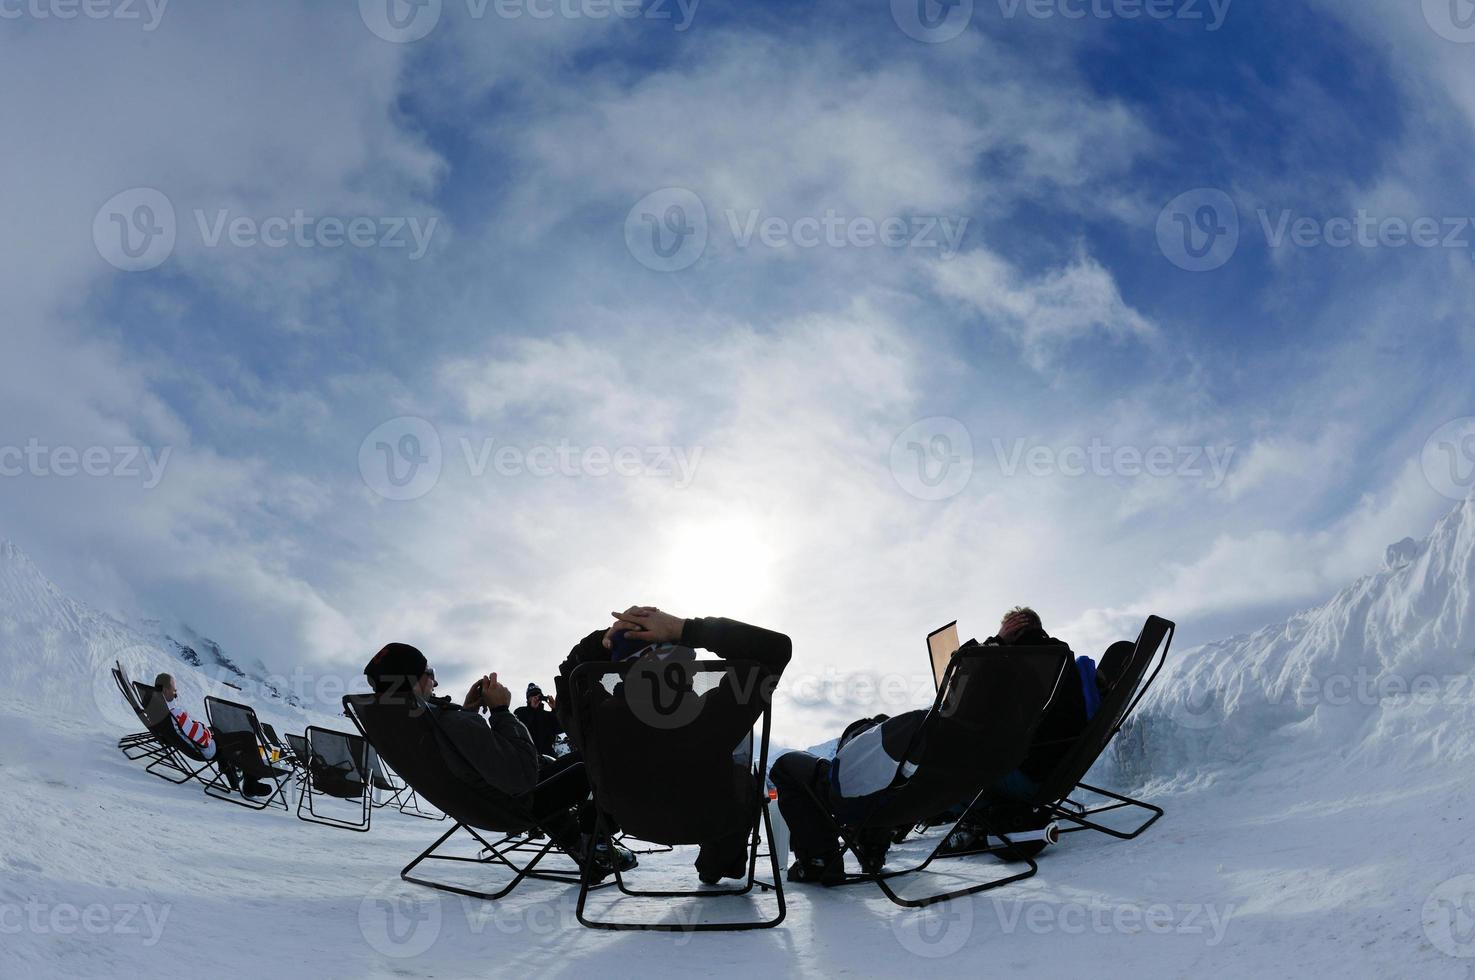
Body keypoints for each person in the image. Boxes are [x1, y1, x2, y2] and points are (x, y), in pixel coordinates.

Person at [769, 606, 1104, 884]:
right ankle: (873, 838)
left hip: (1009, 774)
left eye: (1004, 628)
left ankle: (842, 847)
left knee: (894, 748)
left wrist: (995, 643)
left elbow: (961, 692)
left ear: (1017, 627)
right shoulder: (1059, 665)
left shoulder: (1010, 664)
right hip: (1025, 767)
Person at [556, 606, 792, 885]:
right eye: (685, 654)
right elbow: (776, 649)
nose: (691, 662)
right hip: (713, 820)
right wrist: (686, 629)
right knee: (747, 783)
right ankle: (714, 867)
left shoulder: (597, 718)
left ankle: (714, 863)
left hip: (634, 823)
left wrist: (604, 639)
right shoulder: (717, 711)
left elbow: (570, 678)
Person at [362, 643, 633, 878]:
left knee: (553, 767)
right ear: (414, 681)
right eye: (430, 674)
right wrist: (501, 710)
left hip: (476, 806)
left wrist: (467, 712)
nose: (435, 682)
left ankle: (581, 847)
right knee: (594, 763)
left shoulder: (405, 727)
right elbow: (522, 777)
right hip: (512, 807)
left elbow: (457, 757)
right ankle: (596, 845)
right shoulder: (450, 723)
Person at [153, 672, 271, 798]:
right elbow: (202, 739)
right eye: (174, 690)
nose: (176, 694)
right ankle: (250, 783)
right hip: (204, 749)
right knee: (246, 737)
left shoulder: (157, 707)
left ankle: (233, 774)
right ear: (165, 690)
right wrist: (207, 731)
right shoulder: (176, 712)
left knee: (225, 739)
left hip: (186, 743)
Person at [514, 683, 564, 758]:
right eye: (532, 695)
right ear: (528, 699)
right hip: (528, 757)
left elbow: (560, 728)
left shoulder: (547, 716)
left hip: (548, 757)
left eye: (538, 695)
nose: (536, 698)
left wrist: (555, 709)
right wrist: (532, 709)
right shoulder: (520, 712)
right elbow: (519, 730)